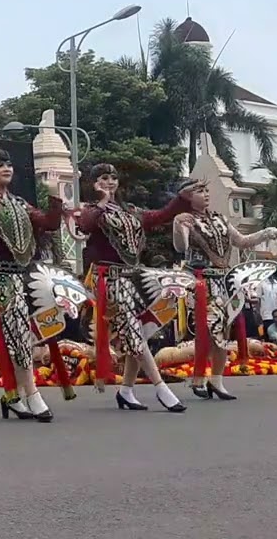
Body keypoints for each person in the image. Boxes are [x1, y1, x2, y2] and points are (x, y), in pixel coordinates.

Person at [77, 164, 195, 413]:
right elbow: (85, 226)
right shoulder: (91, 210)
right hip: (109, 280)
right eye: (103, 178)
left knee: (137, 334)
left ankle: (126, 391)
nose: (109, 182)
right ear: (93, 183)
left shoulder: (130, 211)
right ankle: (161, 387)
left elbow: (159, 216)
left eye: (113, 178)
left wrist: (180, 199)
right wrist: (102, 201)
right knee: (133, 333)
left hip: (134, 279)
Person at [0, 148, 68, 421]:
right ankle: (32, 394)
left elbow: (48, 223)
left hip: (24, 277)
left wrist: (55, 195)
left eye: (9, 164)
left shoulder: (21, 203)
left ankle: (12, 396)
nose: (7, 168)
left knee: (22, 337)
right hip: (0, 278)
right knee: (19, 336)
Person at [170, 179, 277, 400]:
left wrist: (265, 233)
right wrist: (179, 227)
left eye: (206, 190)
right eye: (199, 191)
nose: (205, 194)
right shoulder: (185, 219)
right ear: (188, 197)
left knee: (223, 332)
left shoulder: (220, 219)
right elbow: (180, 248)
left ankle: (216, 380)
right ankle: (200, 378)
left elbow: (241, 241)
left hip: (224, 282)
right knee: (210, 330)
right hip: (200, 282)